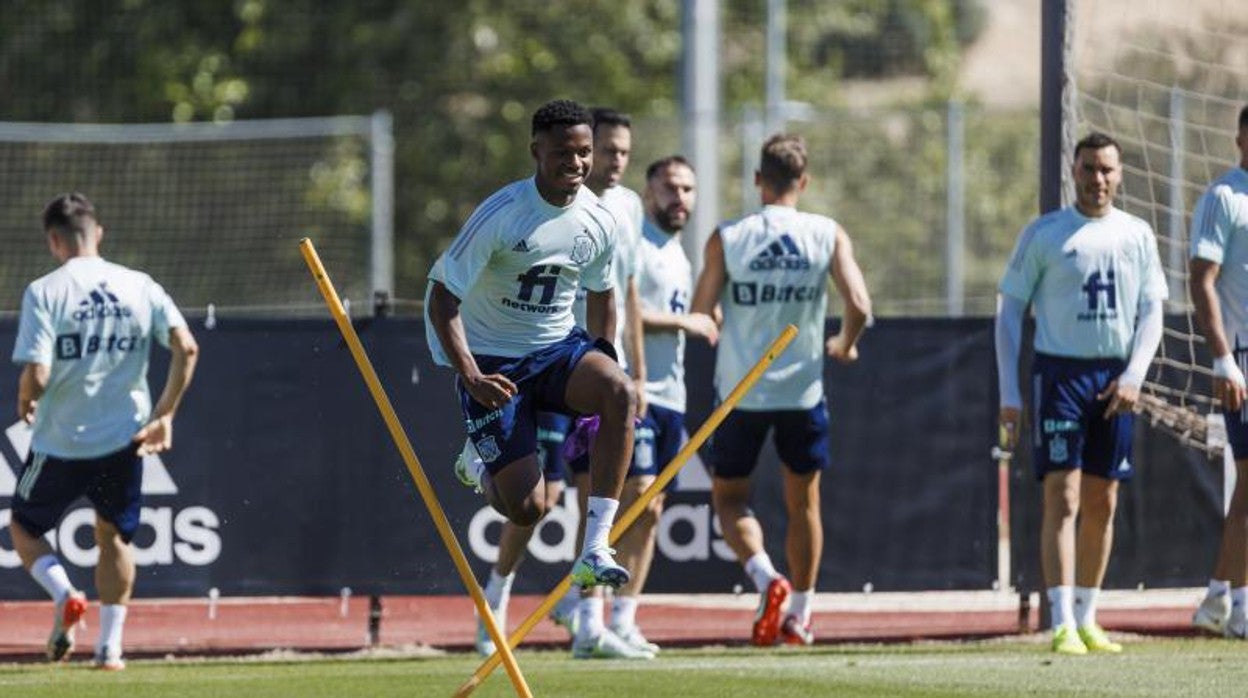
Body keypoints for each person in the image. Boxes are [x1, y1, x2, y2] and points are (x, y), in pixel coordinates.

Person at [425, 101, 638, 624]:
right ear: (535, 151)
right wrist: (471, 376)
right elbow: (441, 298)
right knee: (529, 507)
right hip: (494, 364)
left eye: (584, 152)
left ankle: (594, 549)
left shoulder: (598, 219)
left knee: (620, 393)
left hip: (557, 349)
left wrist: (603, 357)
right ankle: (480, 459)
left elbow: (602, 292)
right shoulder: (503, 213)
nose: (577, 162)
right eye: (564, 152)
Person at [470, 106, 651, 660]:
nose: (608, 161)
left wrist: (622, 367)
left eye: (616, 152)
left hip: (575, 360)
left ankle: (590, 620)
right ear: (544, 152)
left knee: (597, 490)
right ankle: (496, 595)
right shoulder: (524, 207)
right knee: (538, 500)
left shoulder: (621, 212)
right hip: (525, 361)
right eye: (605, 151)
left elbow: (621, 296)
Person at [688, 134, 872, 647]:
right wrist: (845, 343)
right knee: (804, 506)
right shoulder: (825, 232)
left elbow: (702, 313)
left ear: (757, 180)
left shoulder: (729, 236)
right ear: (804, 182)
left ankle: (767, 578)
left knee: (729, 499)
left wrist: (725, 314)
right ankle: (802, 616)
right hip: (802, 393)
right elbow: (859, 304)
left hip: (741, 393)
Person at [10, 192, 199, 670]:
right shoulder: (139, 285)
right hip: (123, 439)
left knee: (24, 529)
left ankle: (66, 593)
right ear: (99, 234)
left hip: (60, 442)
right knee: (113, 537)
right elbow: (186, 348)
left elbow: (40, 371)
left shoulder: (45, 290)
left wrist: (25, 395)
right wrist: (166, 414)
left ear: (54, 240)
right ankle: (110, 648)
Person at [995, 132, 1167, 655]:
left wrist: (1135, 373)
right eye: (1089, 168)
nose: (1098, 179)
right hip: (1060, 377)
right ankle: (1061, 618)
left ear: (1120, 175)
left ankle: (1090, 616)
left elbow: (1152, 311)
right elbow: (1008, 314)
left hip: (1115, 379)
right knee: (1062, 496)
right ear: (1074, 171)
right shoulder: (1046, 234)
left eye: (1107, 170)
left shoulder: (1137, 234)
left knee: (1103, 499)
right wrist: (1010, 391)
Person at [1189, 104, 1248, 639]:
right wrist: (1223, 356)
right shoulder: (1225, 197)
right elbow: (1201, 278)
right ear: (1240, 140)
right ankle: (1223, 601)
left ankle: (1226, 601)